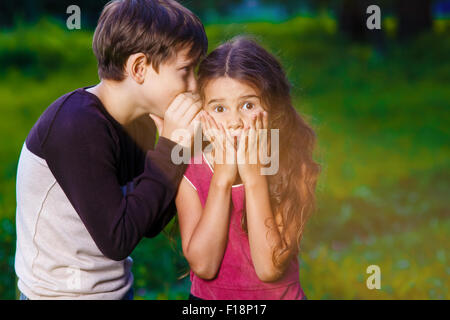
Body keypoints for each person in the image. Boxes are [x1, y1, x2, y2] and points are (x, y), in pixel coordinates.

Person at [14, 0, 207, 299]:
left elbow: (148, 220)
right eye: (185, 70)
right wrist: (170, 148)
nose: (194, 86)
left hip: (115, 291)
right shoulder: (76, 125)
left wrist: (185, 149)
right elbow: (118, 239)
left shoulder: (140, 122)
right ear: (139, 68)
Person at [175, 37, 321, 300]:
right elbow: (204, 266)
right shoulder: (190, 170)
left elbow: (269, 269)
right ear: (202, 111)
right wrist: (222, 179)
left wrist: (253, 177)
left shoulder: (291, 164)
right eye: (219, 108)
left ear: (272, 107)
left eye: (248, 105)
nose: (234, 122)